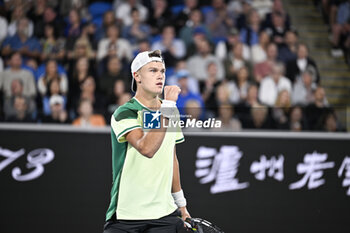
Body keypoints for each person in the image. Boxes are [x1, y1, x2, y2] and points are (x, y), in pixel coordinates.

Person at [103, 50, 190, 233]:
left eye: (162, 71)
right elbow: (146, 148)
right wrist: (167, 107)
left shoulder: (170, 111)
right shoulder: (125, 112)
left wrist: (181, 204)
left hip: (164, 214)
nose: (160, 76)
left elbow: (172, 159)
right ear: (137, 76)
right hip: (126, 215)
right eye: (152, 70)